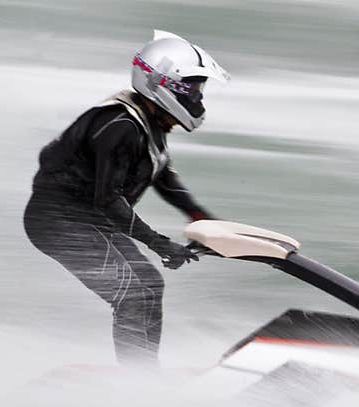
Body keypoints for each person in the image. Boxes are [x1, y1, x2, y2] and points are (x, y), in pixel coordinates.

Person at [24, 30, 229, 366]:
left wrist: (201, 216)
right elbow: (108, 199)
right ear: (163, 84)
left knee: (149, 286)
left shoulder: (149, 119)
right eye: (191, 89)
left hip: (89, 221)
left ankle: (144, 375)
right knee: (134, 295)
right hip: (58, 223)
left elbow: (161, 174)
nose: (197, 98)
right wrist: (160, 243)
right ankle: (136, 384)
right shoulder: (121, 127)